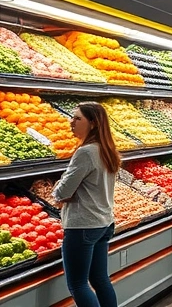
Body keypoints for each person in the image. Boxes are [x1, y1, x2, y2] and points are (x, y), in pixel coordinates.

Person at [53, 102, 120, 307]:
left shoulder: (86, 152)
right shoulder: (106, 149)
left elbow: (62, 192)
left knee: (78, 284)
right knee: (100, 279)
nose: (71, 122)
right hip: (103, 222)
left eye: (77, 118)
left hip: (83, 224)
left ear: (93, 123)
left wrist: (58, 188)